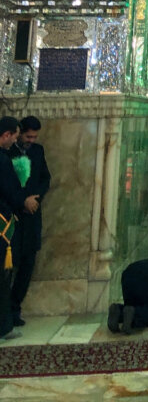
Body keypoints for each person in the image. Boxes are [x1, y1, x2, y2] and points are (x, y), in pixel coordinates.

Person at [8, 116, 51, 327]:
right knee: (8, 266)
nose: (31, 140)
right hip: (13, 217)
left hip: (32, 216)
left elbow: (45, 178)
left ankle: (15, 308)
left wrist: (35, 199)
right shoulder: (7, 152)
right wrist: (21, 201)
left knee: (27, 265)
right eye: (28, 136)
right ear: (19, 133)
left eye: (34, 137)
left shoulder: (37, 151)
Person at [0, 116, 39, 341]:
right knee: (3, 278)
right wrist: (23, 201)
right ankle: (4, 327)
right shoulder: (3, 160)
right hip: (2, 226)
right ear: (6, 135)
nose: (14, 141)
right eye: (14, 136)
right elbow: (9, 190)